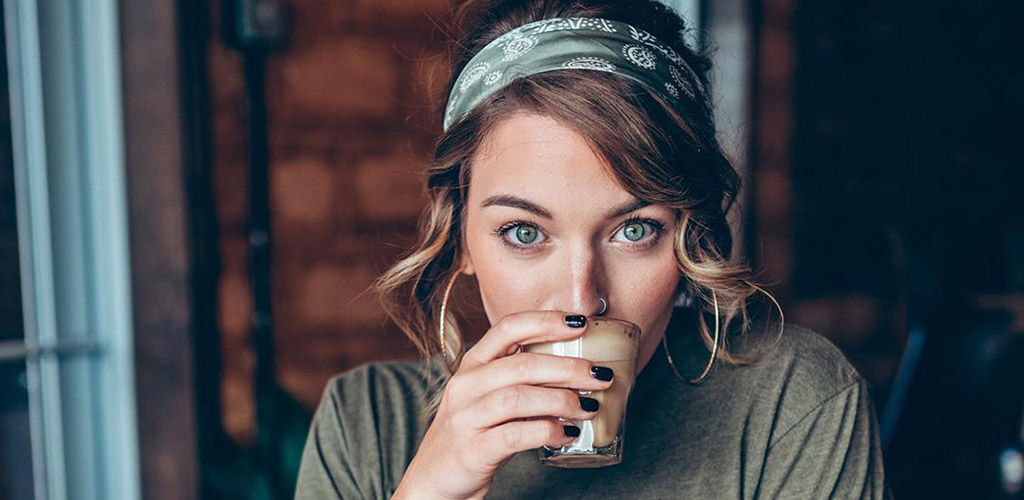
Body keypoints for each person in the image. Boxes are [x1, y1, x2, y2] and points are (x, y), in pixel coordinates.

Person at [294, 1, 892, 498]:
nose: (583, 297)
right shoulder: (366, 426)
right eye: (524, 233)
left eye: (634, 230)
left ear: (688, 240)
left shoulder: (789, 403)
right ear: (459, 240)